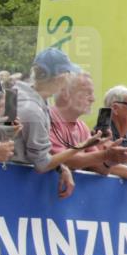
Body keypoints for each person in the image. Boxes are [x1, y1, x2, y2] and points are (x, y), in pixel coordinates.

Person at [12, 48, 98, 198]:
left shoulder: (22, 94)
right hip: (12, 184)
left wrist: (60, 167)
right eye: (68, 74)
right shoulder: (32, 109)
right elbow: (42, 164)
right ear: (59, 79)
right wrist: (82, 146)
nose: (69, 79)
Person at [50, 73, 127, 173]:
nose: (93, 99)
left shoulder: (82, 127)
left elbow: (100, 168)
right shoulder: (48, 119)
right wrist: (106, 155)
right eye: (88, 93)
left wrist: (112, 160)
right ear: (66, 93)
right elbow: (64, 160)